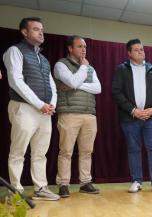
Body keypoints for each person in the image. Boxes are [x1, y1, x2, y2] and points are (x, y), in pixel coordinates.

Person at [2, 17, 60, 200]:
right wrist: (39, 104)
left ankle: (41, 188)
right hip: (24, 108)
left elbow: (52, 85)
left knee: (40, 153)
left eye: (42, 29)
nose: (41, 32)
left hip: (44, 111)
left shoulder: (43, 59)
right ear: (25, 32)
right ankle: (15, 191)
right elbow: (16, 81)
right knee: (18, 151)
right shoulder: (14, 51)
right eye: (36, 29)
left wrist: (52, 105)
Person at [112, 39, 152, 194]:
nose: (141, 52)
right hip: (131, 117)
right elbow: (116, 92)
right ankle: (136, 181)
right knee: (134, 149)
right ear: (129, 53)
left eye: (142, 49)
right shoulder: (122, 69)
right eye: (136, 50)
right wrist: (133, 110)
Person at [53, 35, 102, 198]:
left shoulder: (90, 68)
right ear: (70, 48)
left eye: (85, 47)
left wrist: (76, 85)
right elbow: (72, 81)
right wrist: (82, 69)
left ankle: (85, 182)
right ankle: (63, 184)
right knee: (66, 151)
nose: (84, 49)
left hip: (89, 114)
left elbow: (98, 88)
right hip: (69, 113)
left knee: (87, 151)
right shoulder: (61, 65)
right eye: (80, 46)